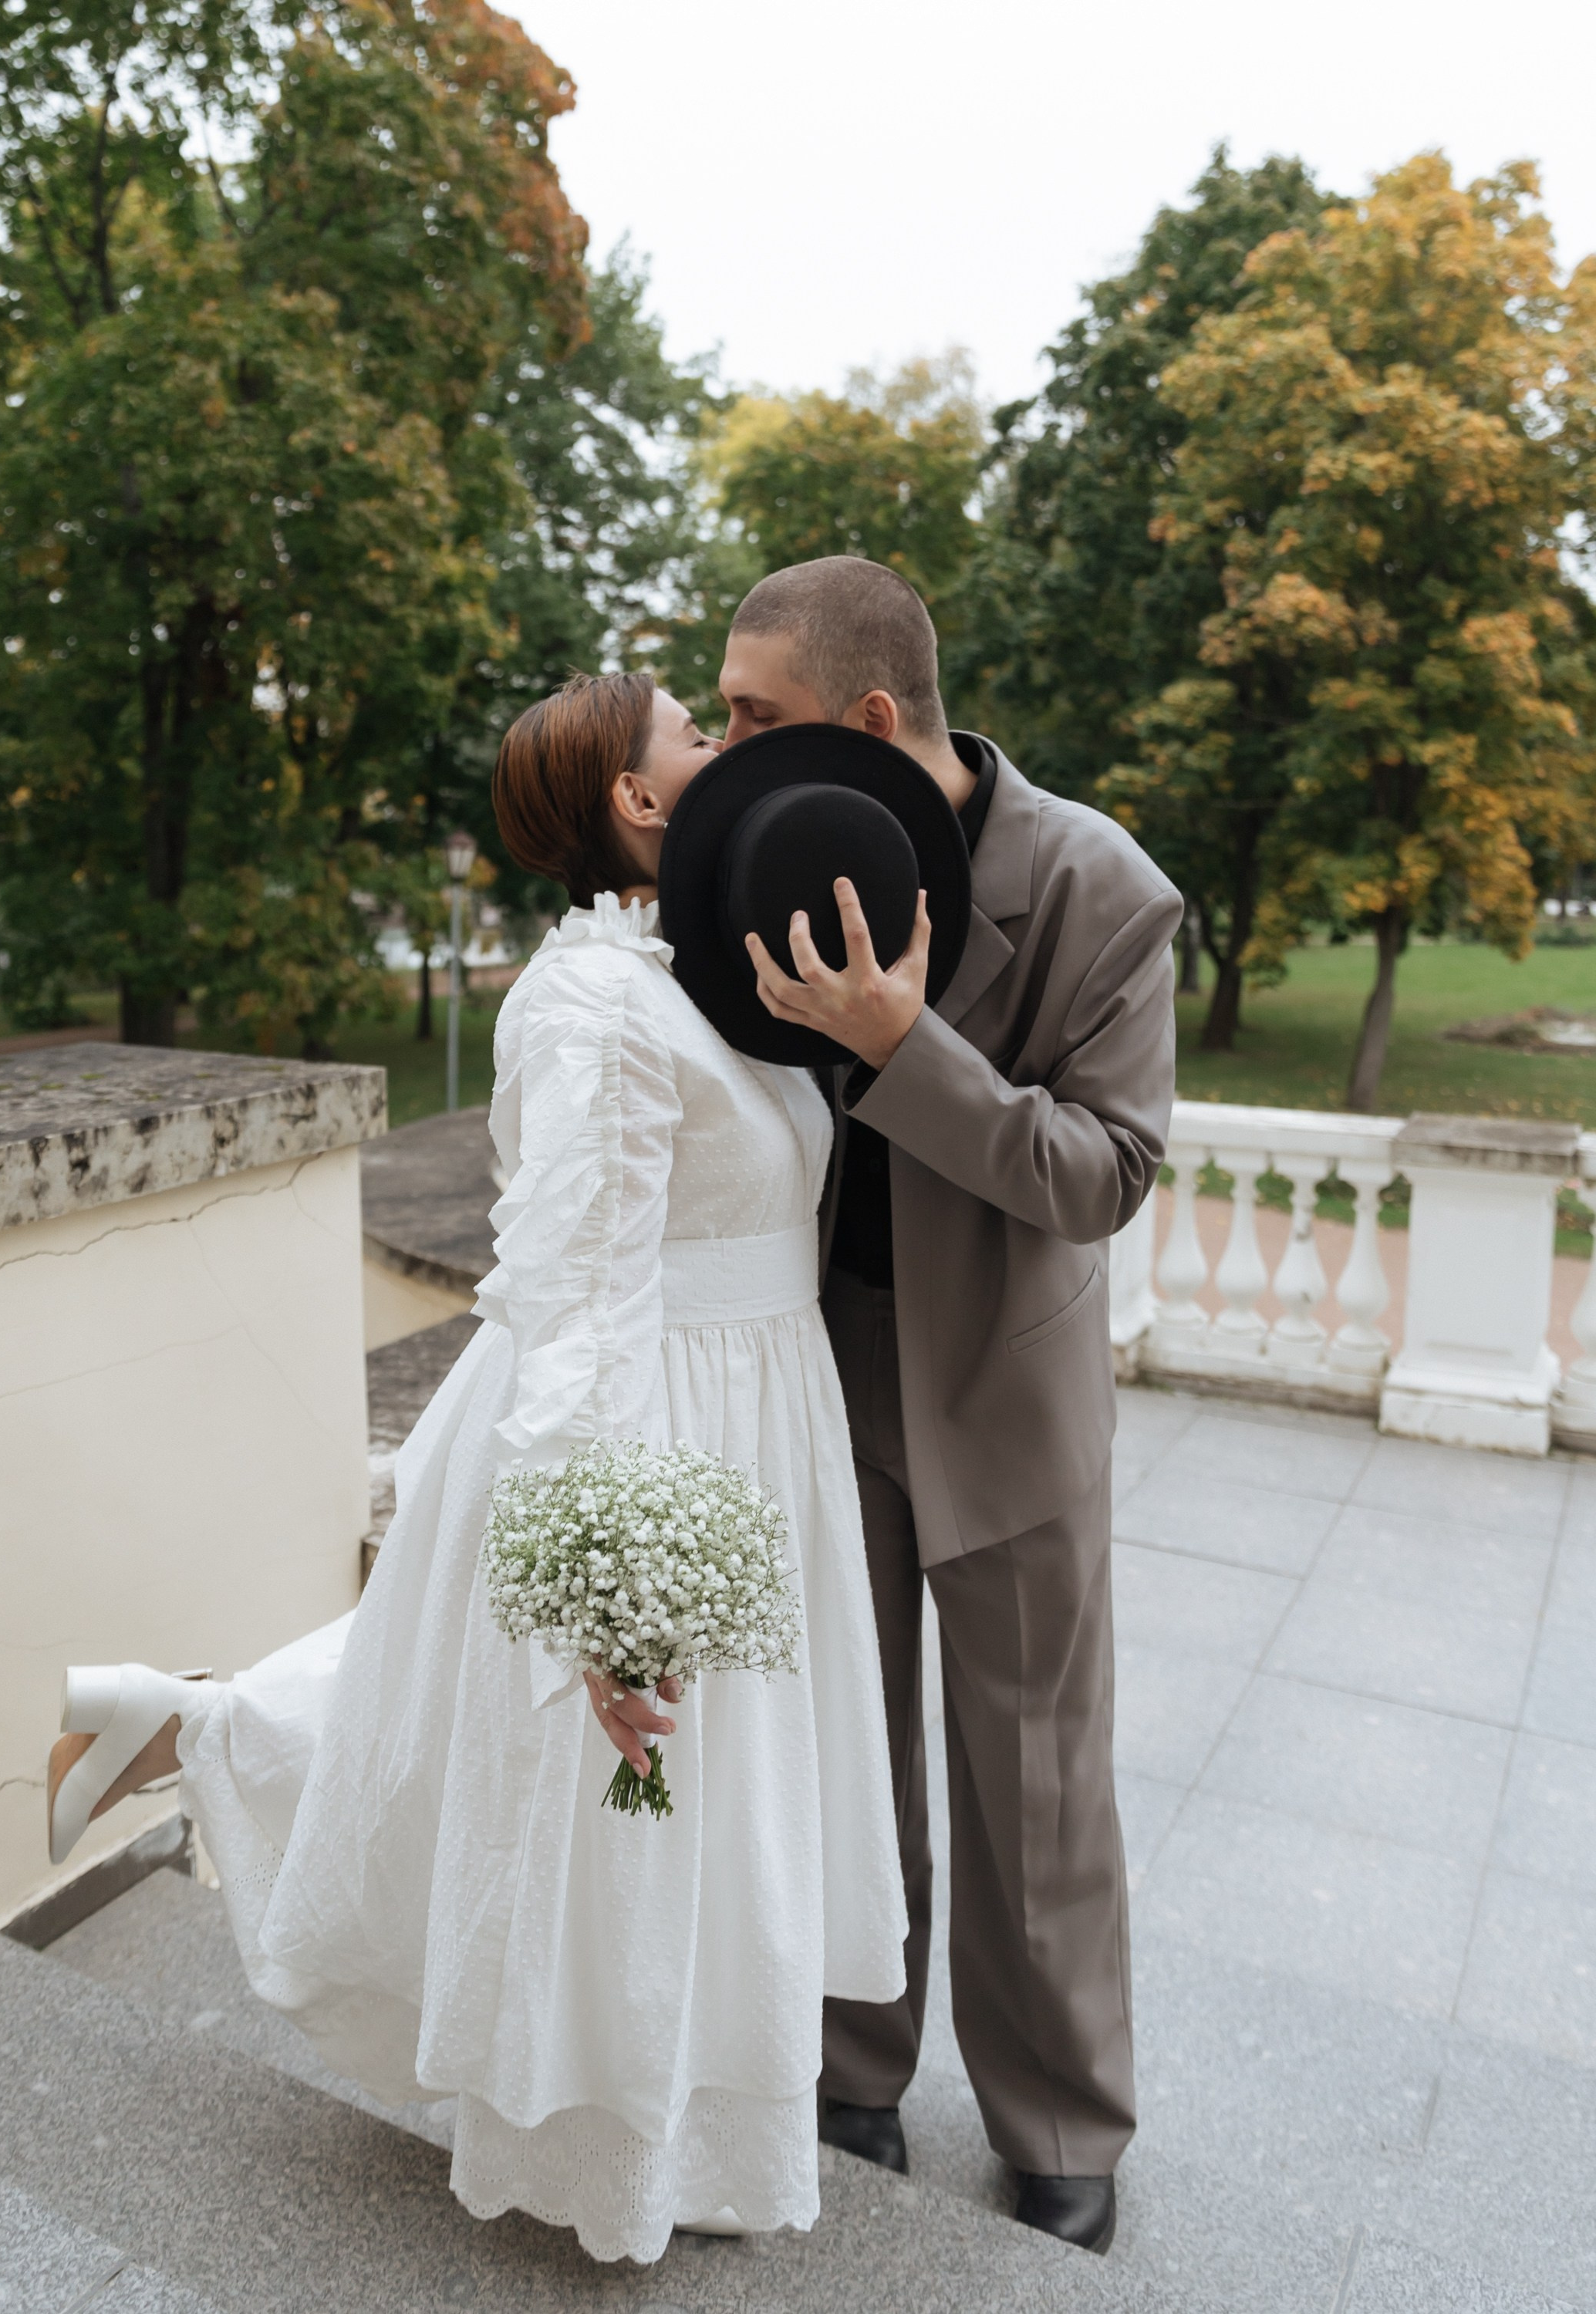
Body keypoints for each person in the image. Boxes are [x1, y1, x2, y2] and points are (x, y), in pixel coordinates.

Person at [45, 673, 907, 2266]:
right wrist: (605, 1585)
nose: (725, 750)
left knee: (648, 1793)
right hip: (653, 1424)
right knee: (617, 1812)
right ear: (640, 805)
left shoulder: (698, 967)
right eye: (694, 735)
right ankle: (611, 2156)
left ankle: (186, 1721)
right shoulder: (586, 1008)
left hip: (756, 1414)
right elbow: (578, 1297)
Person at [722, 557, 1182, 2258]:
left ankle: (1063, 2113)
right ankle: (851, 2067)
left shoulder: (1101, 889)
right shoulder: (761, 855)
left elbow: (1101, 1173)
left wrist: (903, 1044)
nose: (720, 742)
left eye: (749, 713)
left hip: (1005, 1387)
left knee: (1033, 1780)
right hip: (813, 1372)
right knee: (848, 1751)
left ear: (863, 719)